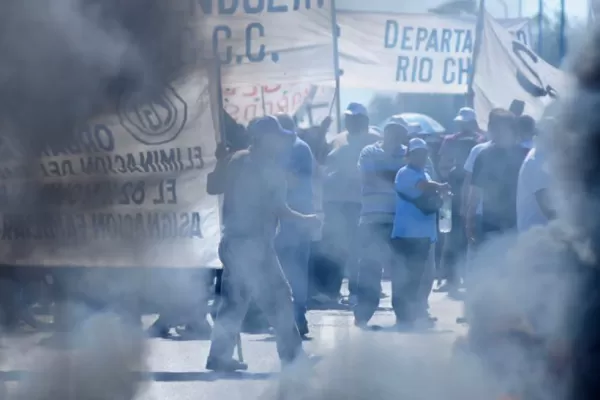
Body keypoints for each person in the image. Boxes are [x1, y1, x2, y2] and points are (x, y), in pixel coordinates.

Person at [205, 116, 319, 372]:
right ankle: (292, 356)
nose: (280, 140)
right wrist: (307, 219)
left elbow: (213, 186)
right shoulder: (268, 167)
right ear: (263, 138)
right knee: (279, 298)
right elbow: (278, 208)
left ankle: (219, 357)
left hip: (233, 243)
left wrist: (221, 161)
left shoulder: (235, 159)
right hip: (254, 246)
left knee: (234, 301)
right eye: (276, 135)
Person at [321, 103, 380, 302]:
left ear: (365, 120)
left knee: (359, 248)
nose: (351, 121)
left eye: (355, 118)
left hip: (363, 203)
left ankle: (358, 291)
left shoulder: (375, 140)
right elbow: (326, 167)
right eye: (349, 118)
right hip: (337, 202)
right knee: (336, 247)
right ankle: (332, 290)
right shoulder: (337, 139)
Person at [353, 122, 408, 327]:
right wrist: (401, 178)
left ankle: (404, 316)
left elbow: (421, 180)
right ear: (385, 133)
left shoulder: (411, 153)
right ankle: (362, 315)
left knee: (402, 269)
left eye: (399, 134)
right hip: (372, 220)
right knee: (369, 268)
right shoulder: (369, 151)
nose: (395, 137)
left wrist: (391, 177)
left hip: (401, 222)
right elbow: (369, 178)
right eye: (391, 132)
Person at [391, 138, 449, 328]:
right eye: (416, 153)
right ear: (409, 155)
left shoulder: (423, 173)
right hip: (406, 235)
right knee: (405, 276)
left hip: (423, 235)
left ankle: (414, 313)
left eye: (423, 153)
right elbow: (422, 186)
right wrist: (440, 187)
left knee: (419, 277)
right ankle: (404, 316)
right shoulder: (405, 173)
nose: (421, 157)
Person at [436, 107, 483, 295]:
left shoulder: (481, 141)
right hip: (452, 192)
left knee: (472, 235)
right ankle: (451, 278)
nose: (463, 126)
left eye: (466, 122)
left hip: (473, 190)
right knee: (450, 235)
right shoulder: (449, 140)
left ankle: (471, 277)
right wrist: (452, 174)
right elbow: (442, 165)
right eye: (461, 122)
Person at [274, 114, 314, 337]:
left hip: (296, 218)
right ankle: (291, 317)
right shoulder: (288, 149)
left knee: (294, 270)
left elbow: (293, 180)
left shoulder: (298, 149)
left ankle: (298, 317)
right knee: (286, 270)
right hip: (287, 218)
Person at [466, 109, 529, 244]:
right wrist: (470, 219)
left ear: (513, 130)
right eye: (494, 128)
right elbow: (475, 192)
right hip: (491, 223)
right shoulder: (483, 156)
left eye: (501, 129)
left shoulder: (525, 156)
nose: (497, 133)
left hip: (518, 223)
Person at [517, 138, 555, 233]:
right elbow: (549, 211)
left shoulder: (544, 155)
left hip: (546, 235)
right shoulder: (538, 161)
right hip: (537, 239)